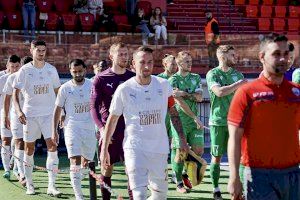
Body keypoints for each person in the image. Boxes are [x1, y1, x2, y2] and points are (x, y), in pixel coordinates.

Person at [100, 46, 189, 200]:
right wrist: (104, 149)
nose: (147, 66)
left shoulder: (163, 85)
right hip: (134, 149)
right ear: (133, 64)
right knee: (139, 195)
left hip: (159, 148)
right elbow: (112, 119)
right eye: (142, 62)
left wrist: (182, 140)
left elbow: (173, 113)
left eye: (150, 62)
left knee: (160, 196)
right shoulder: (124, 89)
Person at [227, 34, 300, 200]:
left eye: (285, 54)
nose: (282, 59)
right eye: (276, 54)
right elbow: (234, 138)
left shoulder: (296, 92)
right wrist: (234, 177)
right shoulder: (246, 92)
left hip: (293, 173)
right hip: (258, 175)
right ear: (262, 57)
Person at [12, 40, 61, 196]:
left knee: (52, 147)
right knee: (29, 149)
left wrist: (62, 113)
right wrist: (19, 111)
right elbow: (15, 93)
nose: (41, 53)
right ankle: (30, 185)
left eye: (43, 50)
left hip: (49, 115)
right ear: (31, 50)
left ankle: (51, 186)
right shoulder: (24, 70)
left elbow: (58, 92)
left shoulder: (51, 70)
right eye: (38, 50)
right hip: (30, 115)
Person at [90, 42, 135, 200]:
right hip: (111, 132)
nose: (124, 57)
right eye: (120, 54)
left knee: (132, 170)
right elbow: (93, 108)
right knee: (106, 169)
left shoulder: (133, 77)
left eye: (126, 54)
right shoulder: (101, 79)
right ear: (111, 56)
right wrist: (102, 129)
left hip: (130, 131)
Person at [206, 45, 247, 200]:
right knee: (216, 156)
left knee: (240, 156)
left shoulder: (238, 74)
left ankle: (239, 191)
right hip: (217, 122)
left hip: (236, 122)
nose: (235, 57)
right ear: (222, 57)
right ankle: (216, 189)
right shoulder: (212, 74)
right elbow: (219, 92)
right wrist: (238, 85)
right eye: (232, 55)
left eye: (235, 54)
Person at [52, 59, 96, 200]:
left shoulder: (92, 85)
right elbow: (57, 109)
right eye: (74, 71)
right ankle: (79, 196)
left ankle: (79, 176)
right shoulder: (65, 88)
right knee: (74, 160)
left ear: (85, 70)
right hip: (72, 128)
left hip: (89, 128)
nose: (77, 74)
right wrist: (54, 131)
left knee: (87, 162)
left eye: (80, 71)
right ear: (70, 71)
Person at [168, 51, 205, 193]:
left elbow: (200, 97)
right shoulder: (173, 80)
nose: (190, 64)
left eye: (191, 61)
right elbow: (179, 102)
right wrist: (195, 116)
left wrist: (184, 93)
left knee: (198, 151)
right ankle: (178, 183)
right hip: (180, 120)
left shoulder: (195, 77)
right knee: (181, 151)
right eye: (186, 62)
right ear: (178, 63)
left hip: (194, 120)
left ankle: (182, 171)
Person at [0, 55, 21, 180]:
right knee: (6, 140)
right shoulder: (2, 79)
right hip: (4, 113)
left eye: (17, 66)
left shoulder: (23, 78)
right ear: (7, 66)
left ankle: (16, 166)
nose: (14, 69)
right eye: (12, 66)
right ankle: (7, 169)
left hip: (18, 115)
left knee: (18, 141)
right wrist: (3, 115)